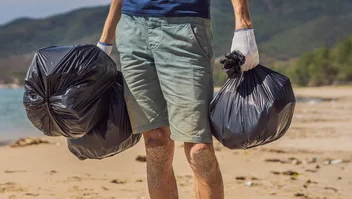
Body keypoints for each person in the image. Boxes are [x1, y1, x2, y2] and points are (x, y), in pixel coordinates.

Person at [96, 0, 259, 198]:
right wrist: (105, 42)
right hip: (132, 30)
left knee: (199, 150)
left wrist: (244, 24)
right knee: (156, 144)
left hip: (185, 27)